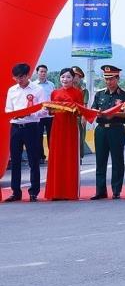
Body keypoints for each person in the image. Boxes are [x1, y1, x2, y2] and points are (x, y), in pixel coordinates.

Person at [42, 68, 86, 200]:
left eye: (68, 77)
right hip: (57, 128)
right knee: (56, 158)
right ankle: (55, 192)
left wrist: (71, 108)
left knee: (70, 158)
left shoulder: (78, 93)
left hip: (71, 128)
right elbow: (51, 112)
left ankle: (69, 192)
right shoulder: (54, 92)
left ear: (73, 79)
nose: (65, 79)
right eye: (62, 77)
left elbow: (80, 111)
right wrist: (50, 108)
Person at [90, 65, 125, 199]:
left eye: (111, 79)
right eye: (106, 79)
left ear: (117, 79)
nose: (108, 82)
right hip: (101, 129)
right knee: (100, 160)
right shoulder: (99, 94)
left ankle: (116, 190)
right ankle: (100, 191)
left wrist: (115, 114)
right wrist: (97, 113)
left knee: (117, 160)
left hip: (116, 128)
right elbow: (93, 109)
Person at [5, 63, 45, 201]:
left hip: (31, 126)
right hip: (16, 127)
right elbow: (8, 108)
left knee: (33, 160)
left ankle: (34, 192)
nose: (19, 80)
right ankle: (15, 192)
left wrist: (30, 114)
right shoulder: (12, 90)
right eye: (16, 77)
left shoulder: (38, 89)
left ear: (28, 75)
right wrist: (14, 114)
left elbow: (44, 109)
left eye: (21, 77)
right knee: (15, 160)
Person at [33, 64, 53, 155]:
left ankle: (52, 155)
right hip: (38, 115)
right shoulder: (33, 85)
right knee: (38, 136)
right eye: (41, 71)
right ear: (37, 72)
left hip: (50, 114)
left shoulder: (51, 85)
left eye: (45, 72)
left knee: (51, 136)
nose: (43, 73)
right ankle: (41, 156)